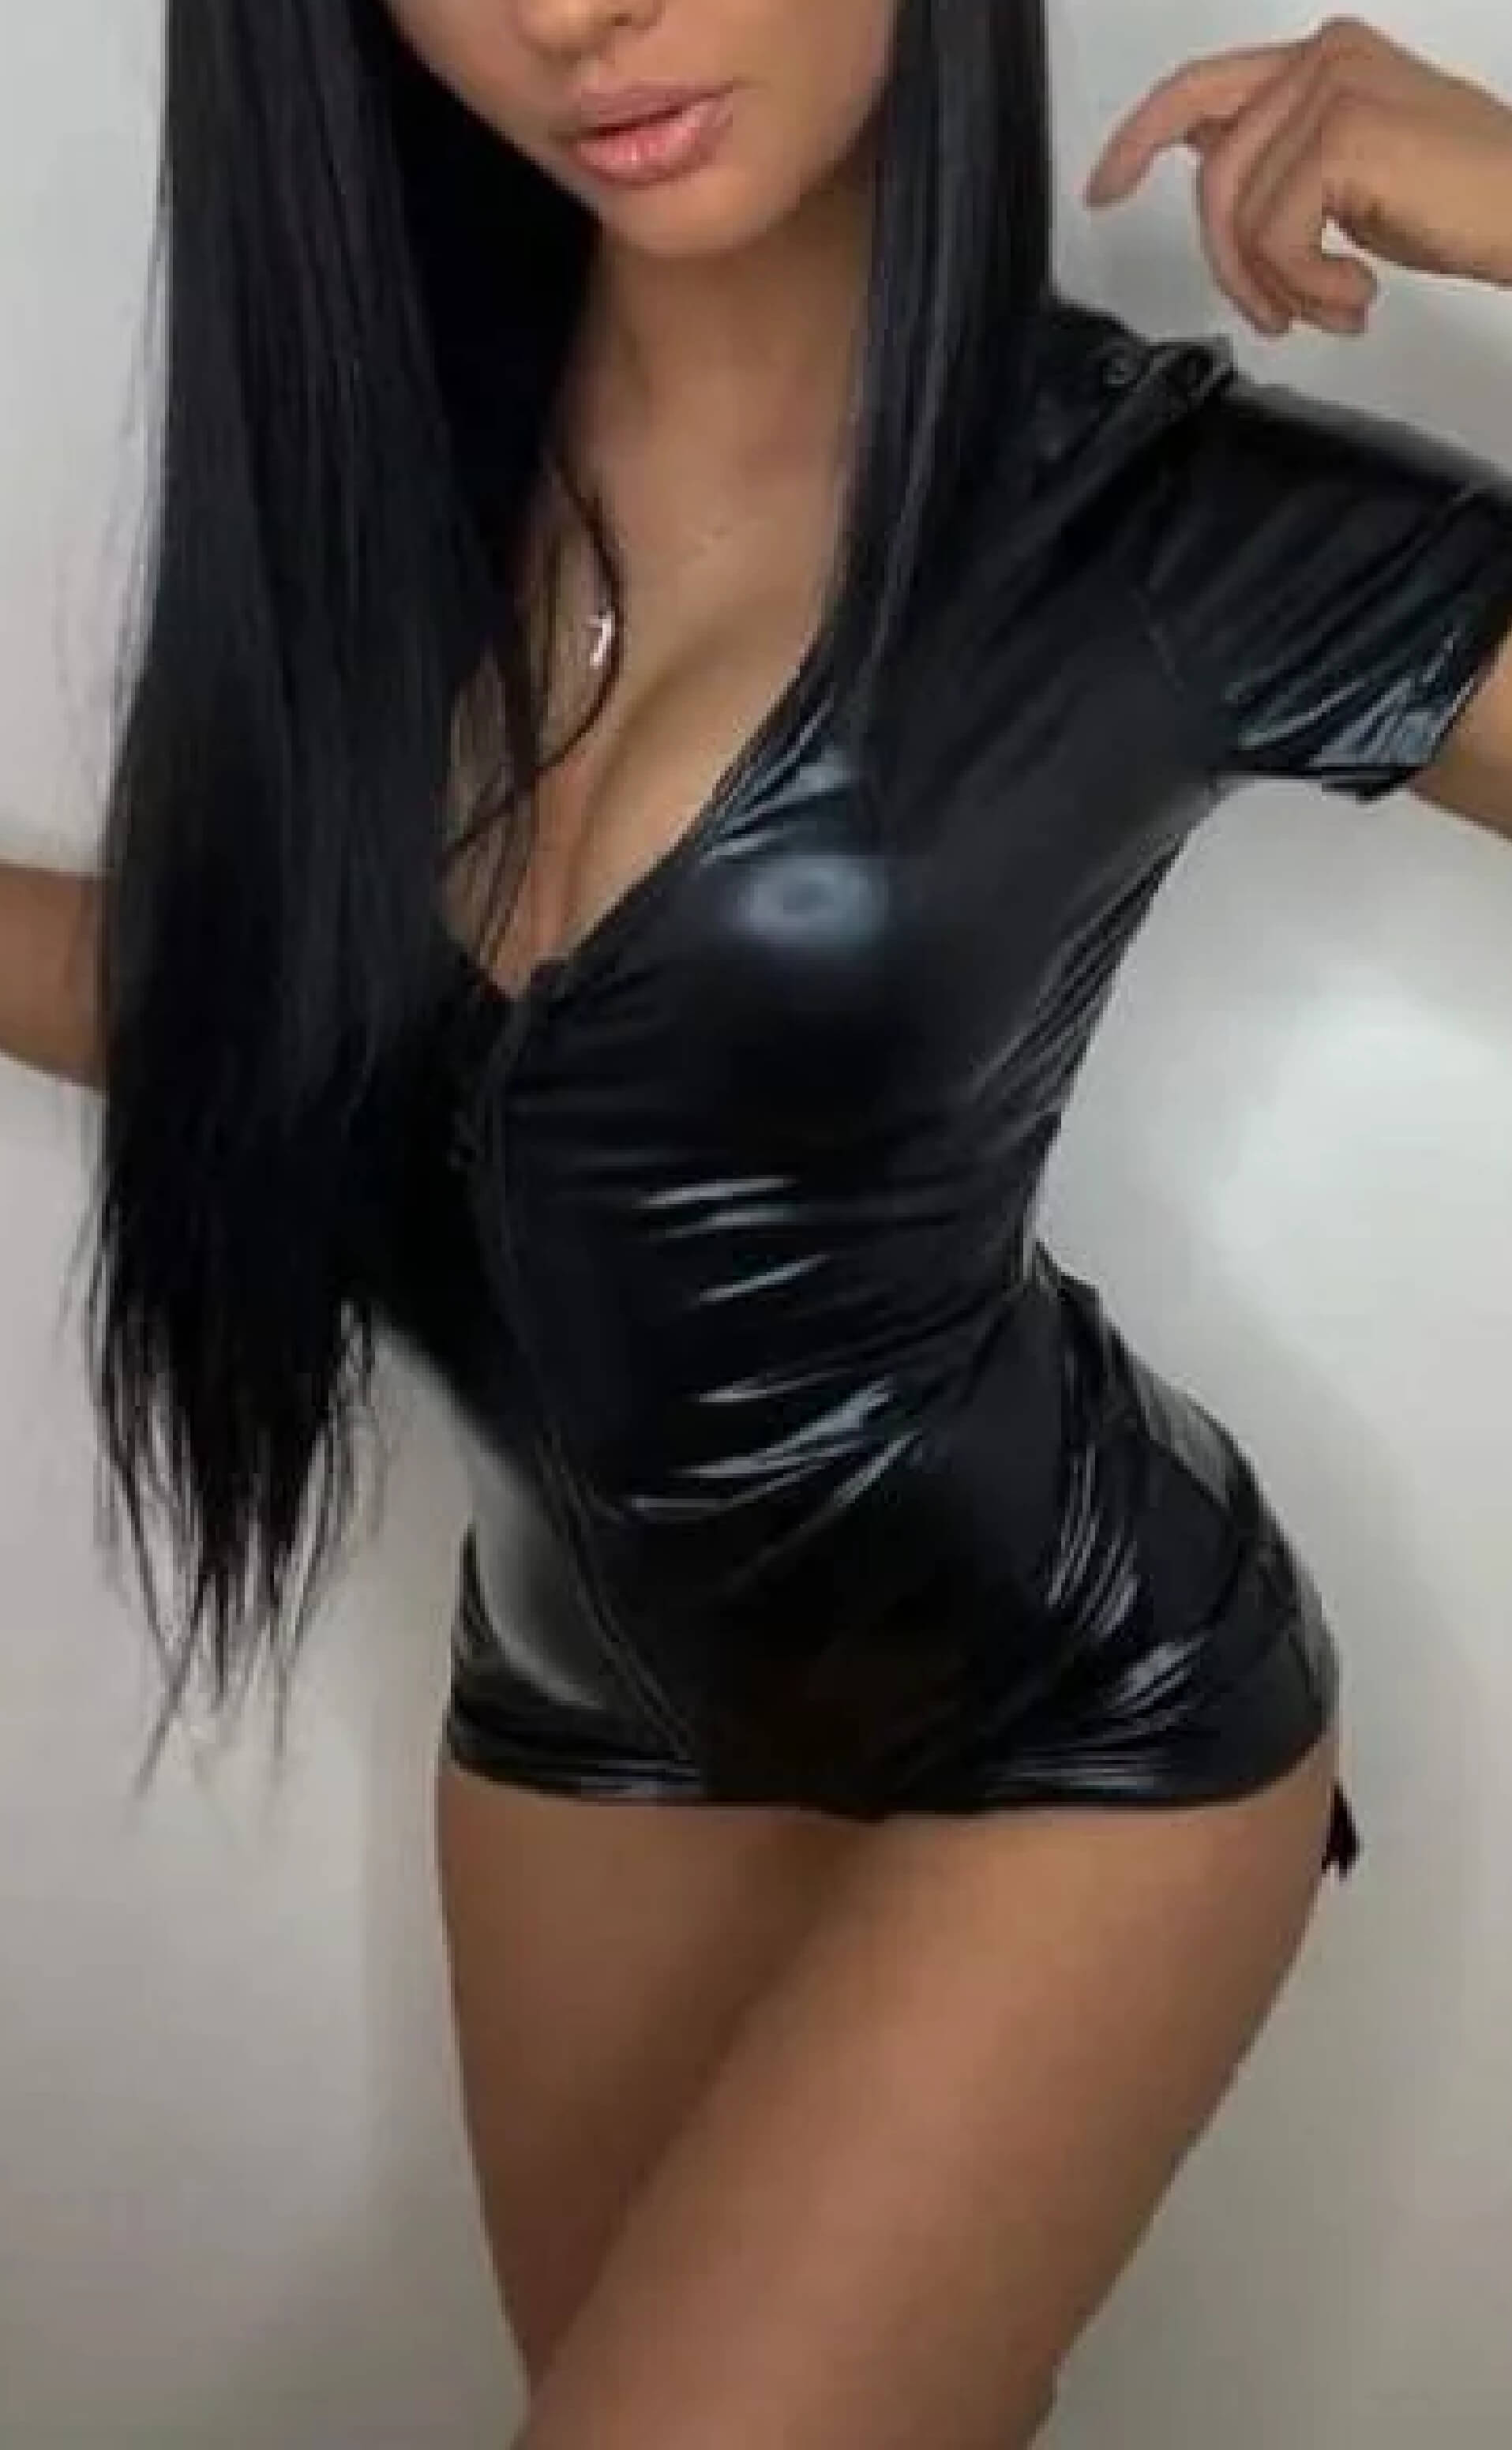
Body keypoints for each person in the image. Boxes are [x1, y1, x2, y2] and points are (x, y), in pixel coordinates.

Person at [3, 6, 1511, 2442]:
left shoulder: (1154, 523)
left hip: (1070, 1718)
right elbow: (290, 1039)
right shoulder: (385, 481)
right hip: (577, 1724)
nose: (570, 11)